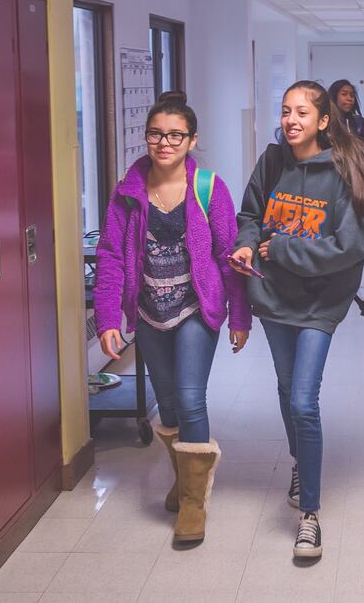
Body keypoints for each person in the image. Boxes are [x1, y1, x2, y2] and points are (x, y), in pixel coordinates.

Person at [229, 80, 364, 562]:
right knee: (285, 388)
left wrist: (279, 248)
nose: (291, 120)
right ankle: (301, 461)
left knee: (303, 401)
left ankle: (310, 517)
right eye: (285, 111)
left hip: (320, 303)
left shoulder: (341, 172)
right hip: (273, 298)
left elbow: (349, 247)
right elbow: (250, 212)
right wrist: (245, 241)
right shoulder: (273, 161)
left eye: (302, 112)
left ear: (323, 121)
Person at [93, 91, 249, 550]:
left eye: (175, 135)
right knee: (168, 404)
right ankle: (185, 480)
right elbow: (110, 256)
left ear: (192, 140)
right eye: (156, 134)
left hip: (196, 309)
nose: (165, 142)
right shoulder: (128, 190)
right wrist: (107, 318)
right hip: (147, 311)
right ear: (146, 138)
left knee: (190, 398)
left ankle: (194, 502)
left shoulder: (209, 189)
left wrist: (239, 315)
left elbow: (228, 256)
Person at [328, 79, 364, 145]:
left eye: (352, 95)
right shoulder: (325, 122)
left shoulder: (361, 123)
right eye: (344, 94)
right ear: (334, 97)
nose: (349, 98)